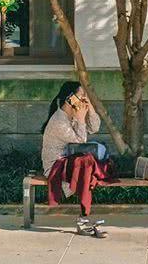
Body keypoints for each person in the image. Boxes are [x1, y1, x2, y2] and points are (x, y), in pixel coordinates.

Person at [41, 81, 109, 236]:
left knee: (88, 165)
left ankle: (84, 218)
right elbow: (81, 140)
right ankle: (84, 218)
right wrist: (80, 119)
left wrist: (90, 106)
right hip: (55, 167)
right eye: (81, 96)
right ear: (70, 99)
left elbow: (95, 127)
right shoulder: (59, 121)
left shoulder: (73, 115)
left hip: (69, 163)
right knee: (87, 164)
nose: (84, 100)